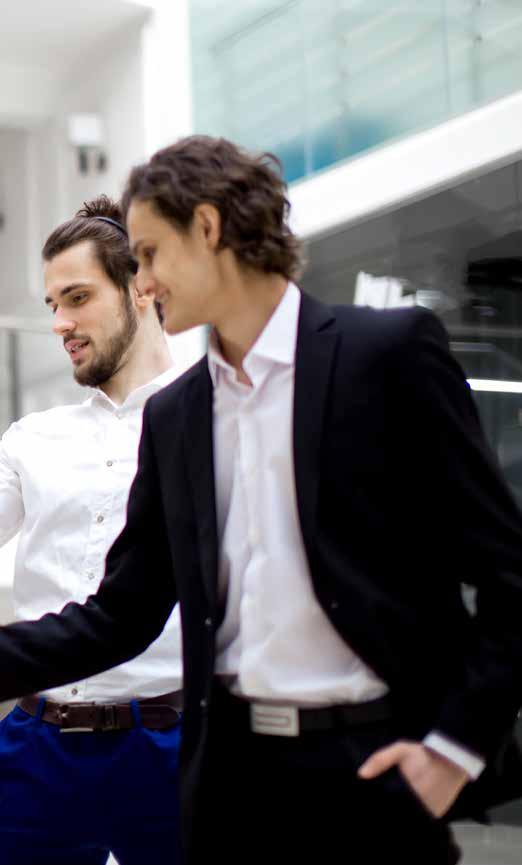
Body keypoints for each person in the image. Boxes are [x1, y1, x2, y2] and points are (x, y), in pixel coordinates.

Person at [0, 137, 521, 864]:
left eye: (148, 254)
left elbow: (509, 576)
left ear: (208, 228)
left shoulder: (387, 353)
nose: (142, 280)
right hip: (231, 784)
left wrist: (453, 751)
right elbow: (120, 615)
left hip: (373, 767)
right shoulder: (177, 416)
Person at [0, 196, 183, 865]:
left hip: (169, 743)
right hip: (37, 746)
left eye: (77, 297)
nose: (60, 323)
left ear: (142, 287)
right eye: (53, 304)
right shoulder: (32, 438)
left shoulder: (209, 420)